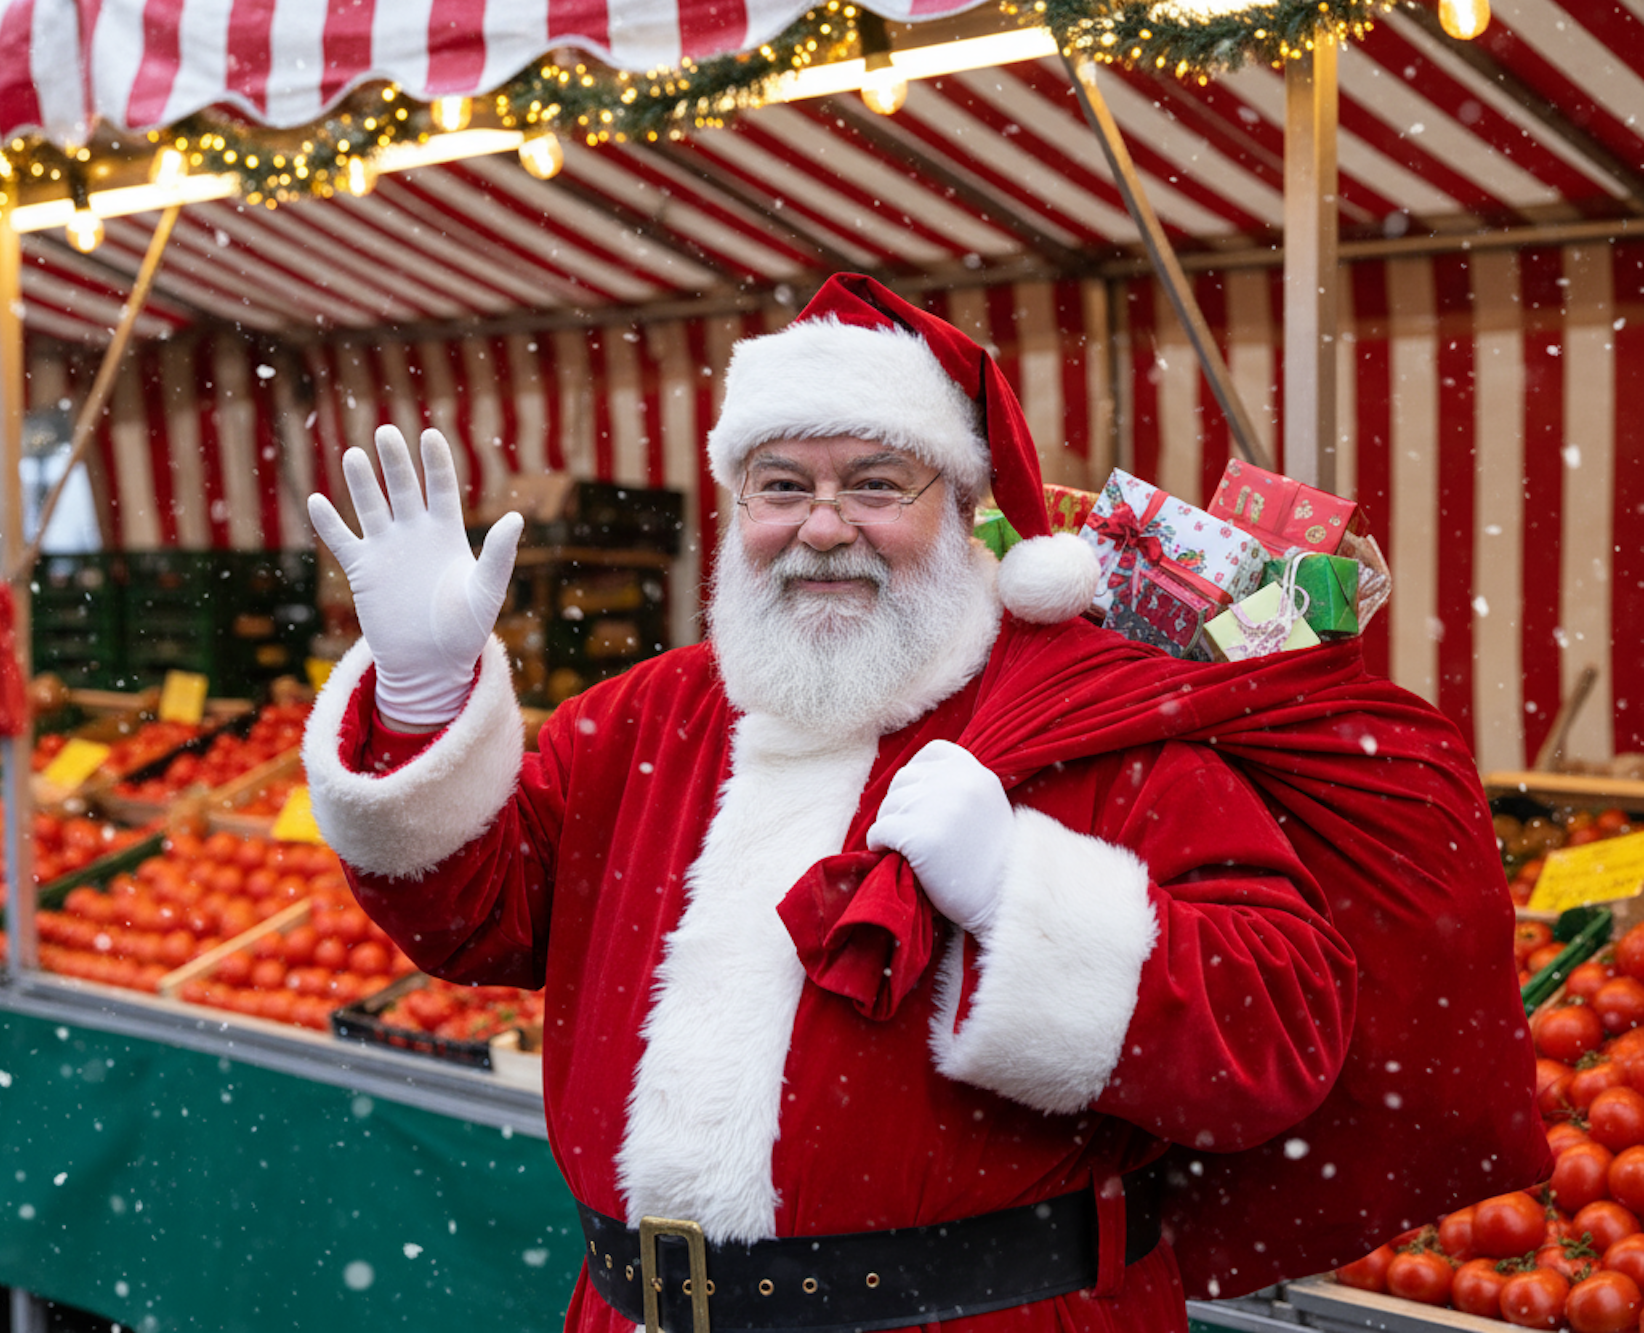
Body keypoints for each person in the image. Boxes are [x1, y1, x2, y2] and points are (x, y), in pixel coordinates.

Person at [301, 274, 1544, 1333]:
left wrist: (1024, 900)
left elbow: (1276, 1033)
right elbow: (477, 919)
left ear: (961, 514)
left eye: (875, 482)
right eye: (779, 485)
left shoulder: (1093, 723)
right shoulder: (648, 718)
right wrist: (422, 697)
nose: (821, 527)